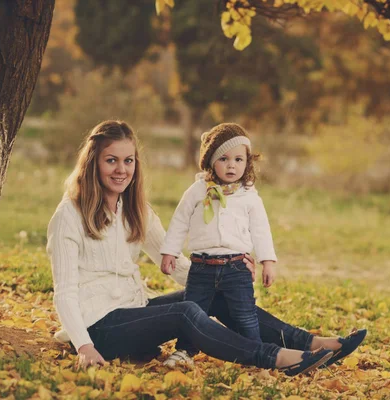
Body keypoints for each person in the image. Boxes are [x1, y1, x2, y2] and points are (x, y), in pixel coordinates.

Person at [48, 120, 367, 374]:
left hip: (136, 312)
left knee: (211, 292)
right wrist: (85, 346)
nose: (121, 169)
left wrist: (219, 271)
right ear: (93, 163)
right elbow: (65, 292)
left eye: (128, 160)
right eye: (111, 160)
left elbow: (177, 266)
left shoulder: (135, 210)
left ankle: (314, 344)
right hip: (98, 329)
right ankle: (277, 357)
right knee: (187, 312)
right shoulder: (69, 215)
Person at [159, 123, 276, 365]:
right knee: (194, 310)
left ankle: (255, 353)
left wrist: (267, 262)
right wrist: (170, 251)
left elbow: (261, 229)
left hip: (236, 268)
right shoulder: (198, 190)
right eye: (223, 158)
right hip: (202, 266)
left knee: (245, 314)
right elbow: (180, 220)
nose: (232, 165)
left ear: (247, 162)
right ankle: (185, 351)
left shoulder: (249, 195)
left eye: (238, 159)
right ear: (211, 161)